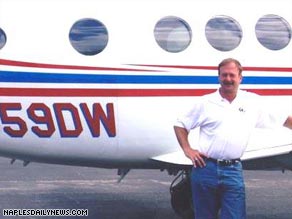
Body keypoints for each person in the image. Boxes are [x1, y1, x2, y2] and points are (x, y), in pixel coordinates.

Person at [173, 58, 292, 219]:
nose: (228, 79)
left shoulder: (252, 102)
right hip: (205, 169)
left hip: (233, 170)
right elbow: (180, 124)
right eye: (224, 75)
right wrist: (188, 149)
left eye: (232, 75)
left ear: (240, 77)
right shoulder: (205, 102)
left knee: (235, 216)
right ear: (218, 77)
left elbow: (284, 119)